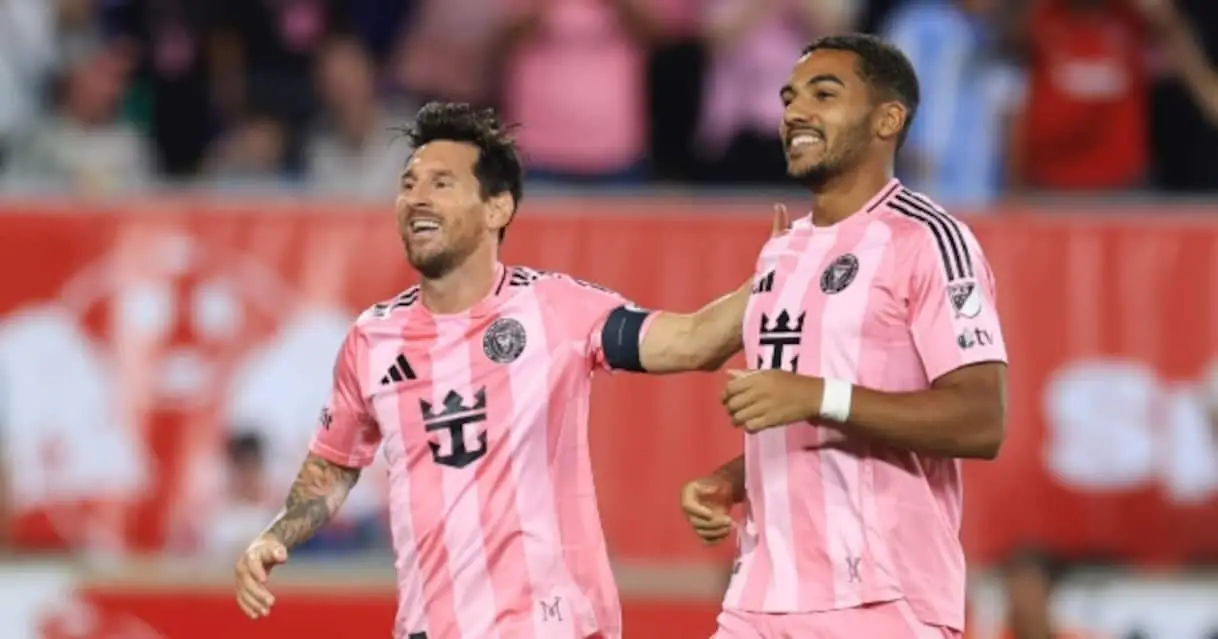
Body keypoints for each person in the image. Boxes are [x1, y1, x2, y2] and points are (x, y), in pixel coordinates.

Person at [232, 101, 776, 639]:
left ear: (497, 209)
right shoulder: (372, 339)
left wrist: (782, 276)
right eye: (409, 183)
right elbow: (334, 466)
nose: (417, 197)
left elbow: (694, 342)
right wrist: (276, 534)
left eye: (442, 183)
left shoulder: (554, 308)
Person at [678, 34, 1008, 638]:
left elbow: (981, 420)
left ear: (887, 119)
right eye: (789, 98)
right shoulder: (782, 251)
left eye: (823, 94)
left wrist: (816, 395)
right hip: (762, 597)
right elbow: (808, 419)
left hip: (882, 600)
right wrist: (732, 480)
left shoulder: (931, 240)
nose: (795, 112)